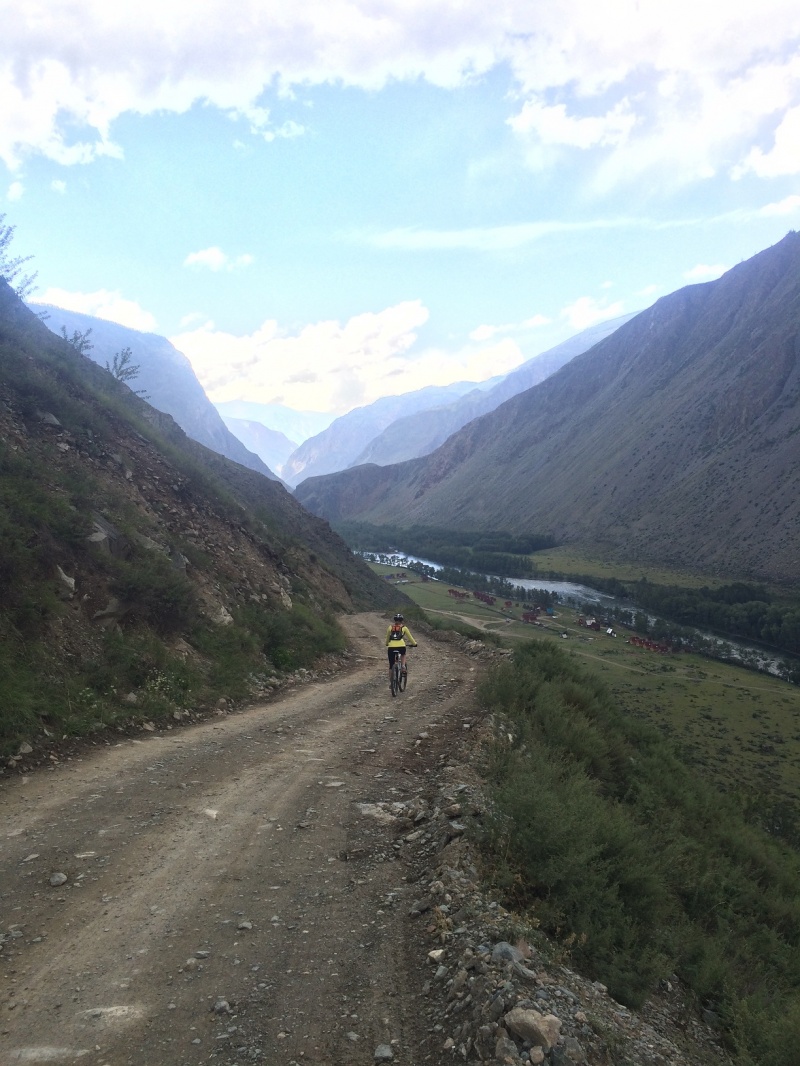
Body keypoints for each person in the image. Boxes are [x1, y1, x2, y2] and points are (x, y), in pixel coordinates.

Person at [385, 613, 417, 679]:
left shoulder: (390, 627)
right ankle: (403, 666)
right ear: (402, 620)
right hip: (401, 646)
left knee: (391, 665)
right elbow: (410, 637)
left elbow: (387, 637)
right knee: (403, 654)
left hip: (391, 647)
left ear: (394, 620)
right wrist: (414, 644)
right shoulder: (404, 628)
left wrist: (387, 643)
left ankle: (391, 681)